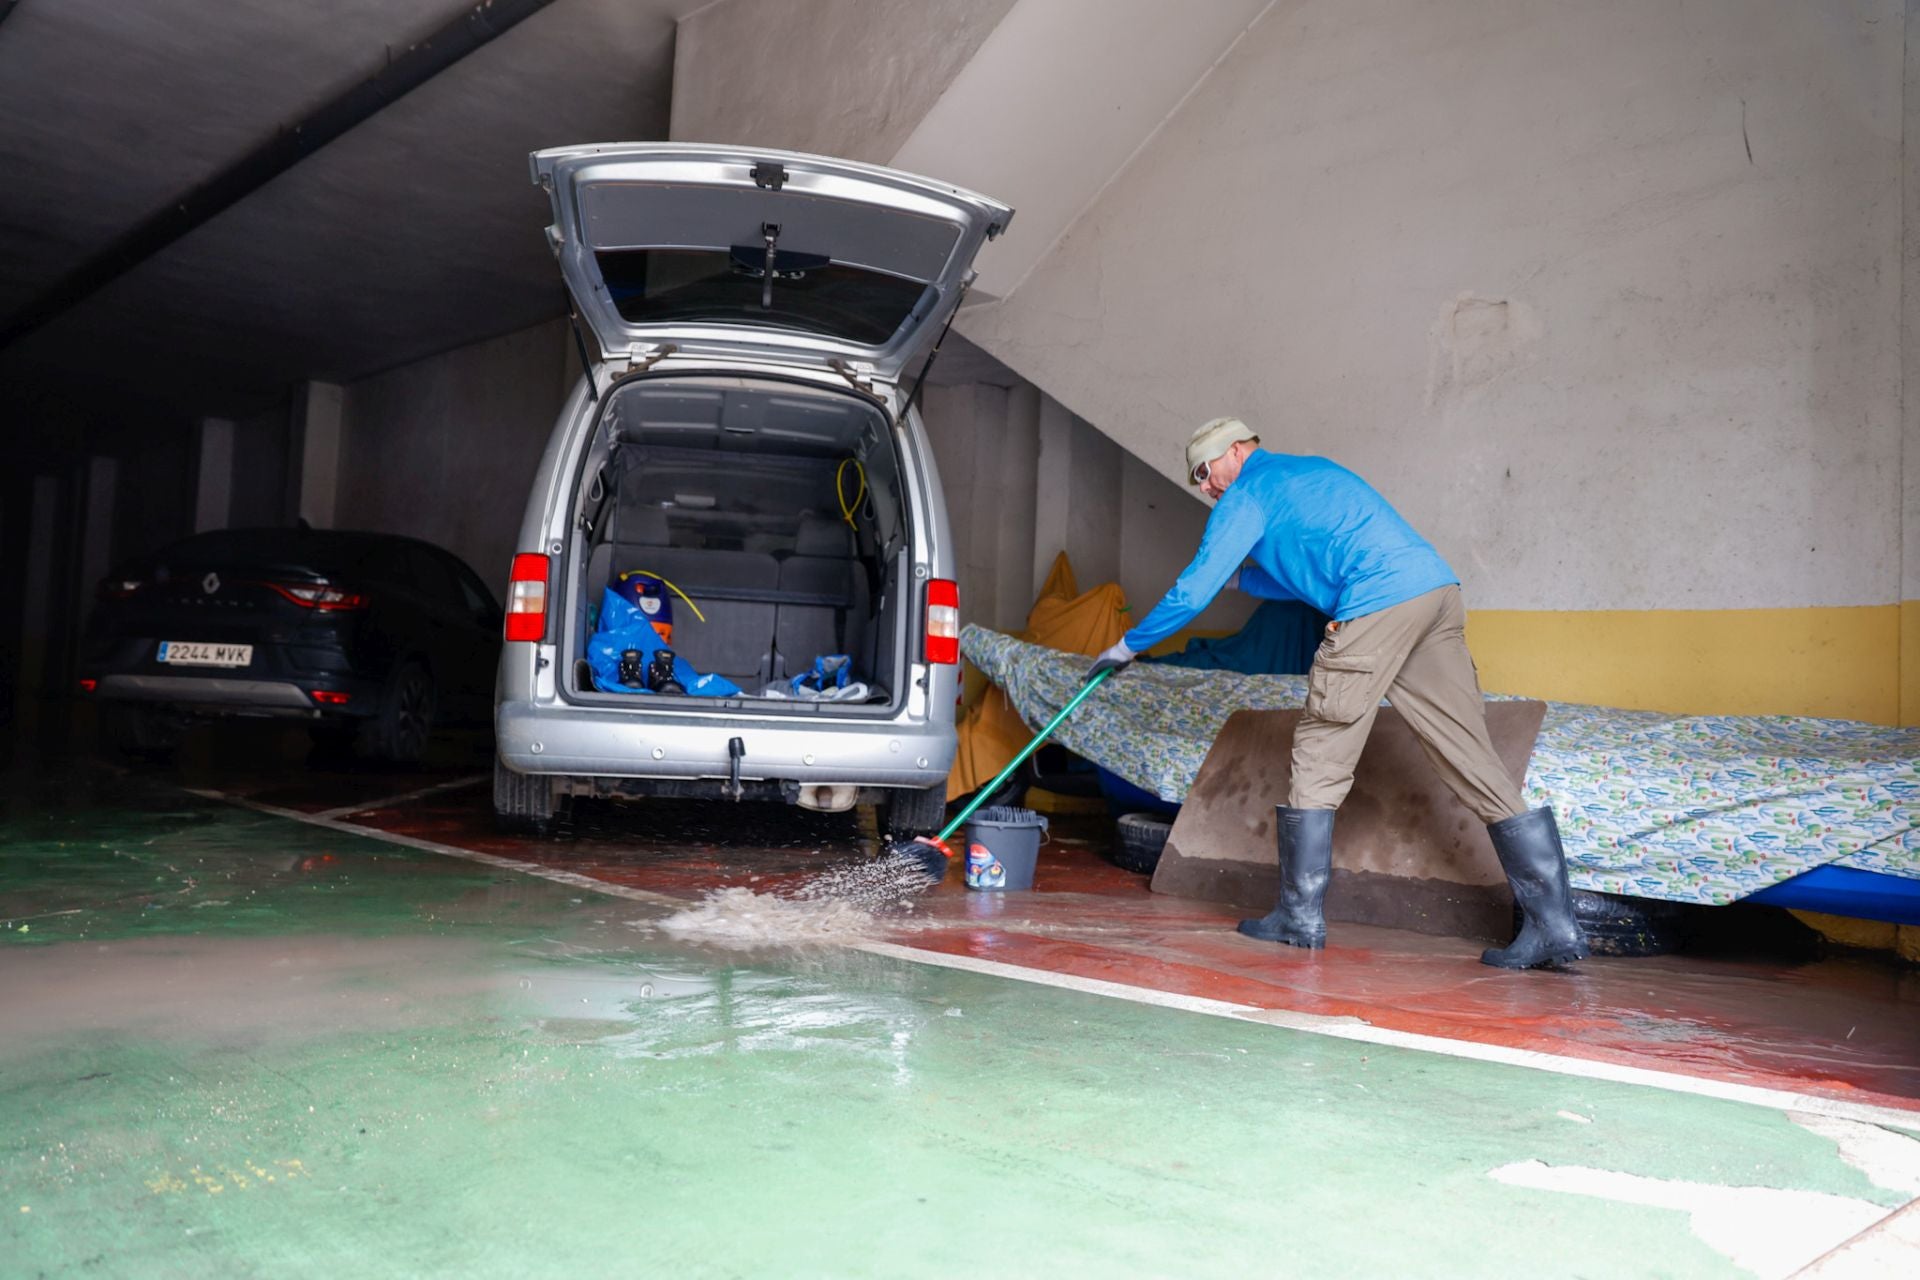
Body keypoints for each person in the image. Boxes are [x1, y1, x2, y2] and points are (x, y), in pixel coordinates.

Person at [1088, 418, 1587, 969]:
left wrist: (1128, 646)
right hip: (1434, 593)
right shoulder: (1310, 472)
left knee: (1322, 744)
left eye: (1204, 473)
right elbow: (1305, 571)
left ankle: (1298, 917)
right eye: (1197, 482)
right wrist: (1241, 579)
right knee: (1467, 750)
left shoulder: (1246, 494)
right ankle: (1553, 926)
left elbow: (1191, 592)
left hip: (1376, 603)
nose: (1204, 487)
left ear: (1235, 451)